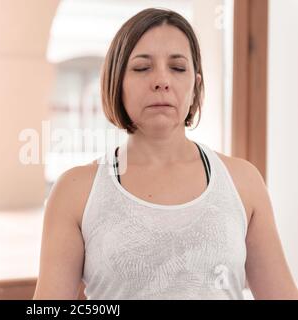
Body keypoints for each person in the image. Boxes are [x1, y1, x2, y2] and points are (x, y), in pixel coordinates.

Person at [33, 8, 298, 300]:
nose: (161, 80)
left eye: (178, 67)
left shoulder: (243, 182)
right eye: (142, 68)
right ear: (116, 83)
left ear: (196, 87)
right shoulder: (75, 191)